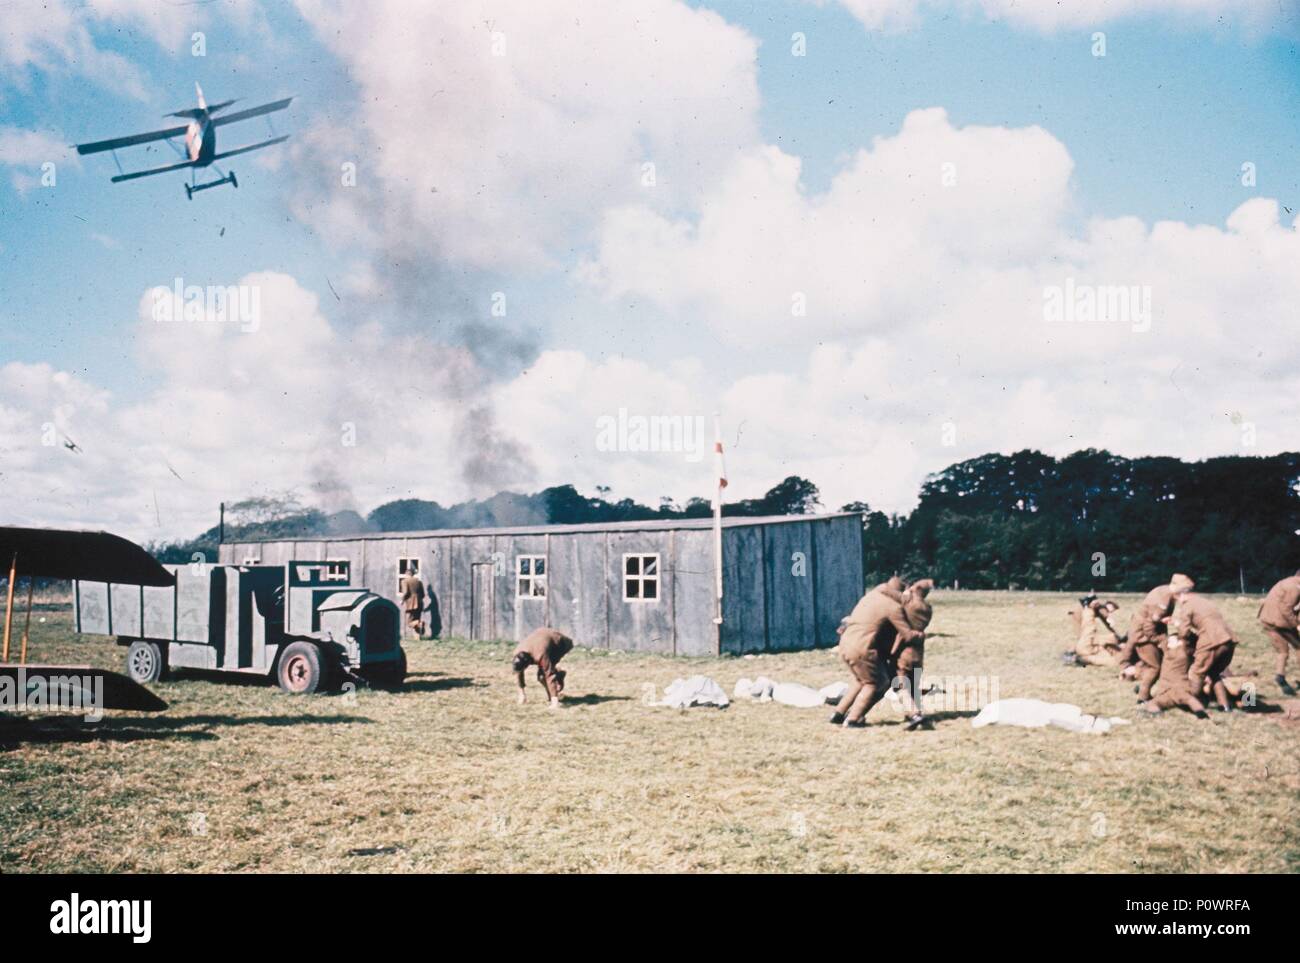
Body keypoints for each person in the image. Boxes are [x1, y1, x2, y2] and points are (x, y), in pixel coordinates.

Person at [830, 583, 924, 730]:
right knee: (875, 683)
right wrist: (920, 635)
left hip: (846, 643)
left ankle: (838, 713)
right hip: (863, 647)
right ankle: (853, 720)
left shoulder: (869, 597)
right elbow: (907, 635)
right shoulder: (893, 607)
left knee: (860, 680)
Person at [1127, 573, 1194, 702]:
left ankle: (1144, 688)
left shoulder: (1165, 593)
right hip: (1144, 636)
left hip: (1147, 633)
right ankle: (1143, 697)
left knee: (1157, 663)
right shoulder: (1163, 598)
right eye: (1185, 590)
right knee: (1155, 667)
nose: (1186, 594)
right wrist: (1160, 640)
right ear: (1177, 587)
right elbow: (1149, 625)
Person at [1170, 592, 1237, 712]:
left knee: (1197, 673)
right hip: (1228, 639)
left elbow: (1183, 632)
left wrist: (1176, 625)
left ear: (1182, 594)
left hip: (1212, 641)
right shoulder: (1205, 602)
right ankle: (1225, 706)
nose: (1178, 601)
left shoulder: (1187, 606)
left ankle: (1191, 705)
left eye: (1177, 597)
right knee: (1214, 672)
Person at [893, 578, 934, 729]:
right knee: (914, 684)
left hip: (905, 650)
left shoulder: (908, 604)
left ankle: (914, 714)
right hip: (918, 652)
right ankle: (915, 711)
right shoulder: (927, 608)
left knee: (901, 683)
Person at [1144, 632, 1210, 719]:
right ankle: (1200, 712)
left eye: (1171, 641)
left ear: (1180, 643)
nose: (1168, 643)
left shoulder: (1169, 652)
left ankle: (1156, 713)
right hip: (1182, 687)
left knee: (1153, 703)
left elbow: (1157, 638)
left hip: (1167, 690)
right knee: (1189, 699)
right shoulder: (1187, 653)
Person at [1258, 569, 1300, 696]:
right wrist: (1296, 624)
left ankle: (1280, 676)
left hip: (1267, 619)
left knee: (1282, 651)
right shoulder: (1295, 587)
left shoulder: (1286, 582)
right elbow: (1286, 608)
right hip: (1280, 622)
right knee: (1299, 646)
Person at [512, 627, 574, 708]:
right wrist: (522, 694)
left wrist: (554, 703)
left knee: (542, 676)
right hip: (543, 640)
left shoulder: (540, 654)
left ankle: (554, 696)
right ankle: (556, 684)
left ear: (528, 663)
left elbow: (549, 674)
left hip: (560, 644)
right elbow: (518, 673)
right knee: (542, 676)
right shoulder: (517, 653)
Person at [400, 562, 426, 640]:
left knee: (409, 622)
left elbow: (405, 592)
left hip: (411, 603)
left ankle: (419, 623)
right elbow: (423, 594)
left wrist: (402, 600)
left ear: (406, 574)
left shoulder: (404, 581)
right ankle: (417, 638)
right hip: (419, 603)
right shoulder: (419, 581)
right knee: (416, 618)